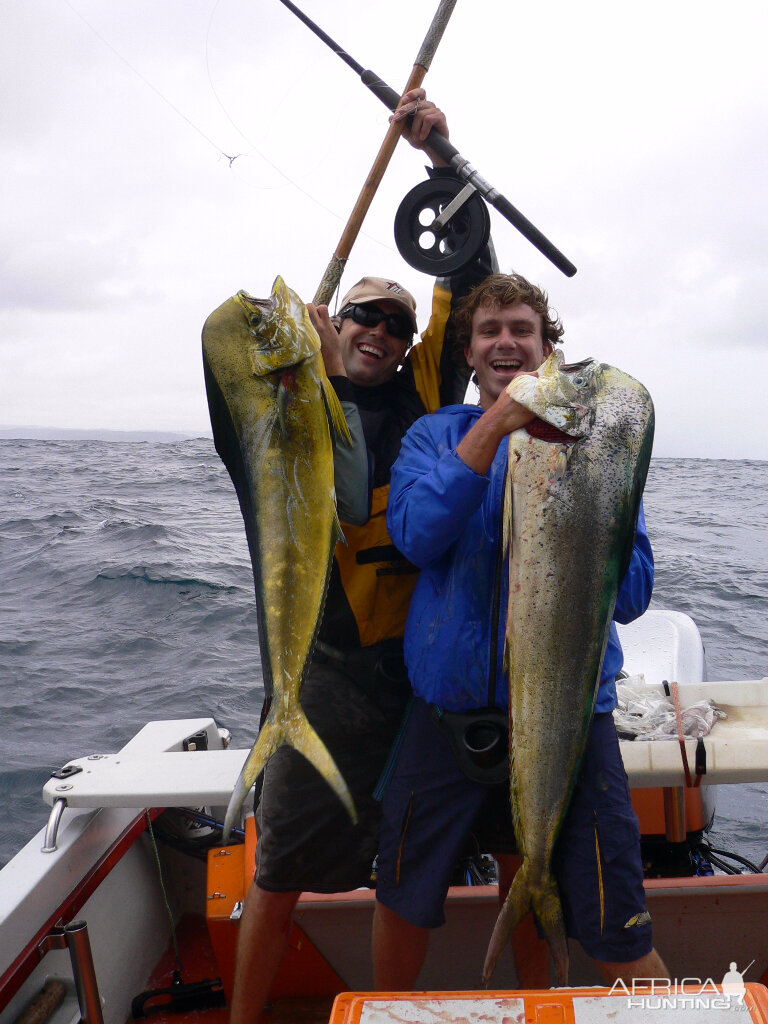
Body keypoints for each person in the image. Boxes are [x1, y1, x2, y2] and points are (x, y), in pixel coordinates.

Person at [228, 89, 498, 1024]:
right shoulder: (295, 397)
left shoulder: (430, 387)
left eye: (393, 322)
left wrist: (442, 159)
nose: (379, 333)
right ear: (332, 326)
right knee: (279, 871)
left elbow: (469, 276)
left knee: (411, 861)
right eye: (361, 320)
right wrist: (287, 355)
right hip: (324, 669)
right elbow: (236, 397)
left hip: (418, 675)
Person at [372, 272, 669, 988]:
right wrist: (496, 425)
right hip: (447, 715)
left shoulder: (593, 444)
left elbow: (629, 598)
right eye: (489, 331)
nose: (505, 342)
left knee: (614, 923)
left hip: (573, 719)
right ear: (471, 352)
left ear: (546, 349)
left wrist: (593, 506)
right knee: (402, 898)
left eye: (522, 331)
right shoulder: (434, 435)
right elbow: (414, 536)